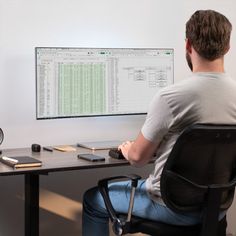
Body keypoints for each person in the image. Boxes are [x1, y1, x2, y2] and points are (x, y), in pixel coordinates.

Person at [82, 10, 236, 236]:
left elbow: (137, 158)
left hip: (170, 206)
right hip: (218, 208)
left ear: (187, 45)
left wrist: (128, 149)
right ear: (227, 47)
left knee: (93, 199)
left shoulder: (171, 97)